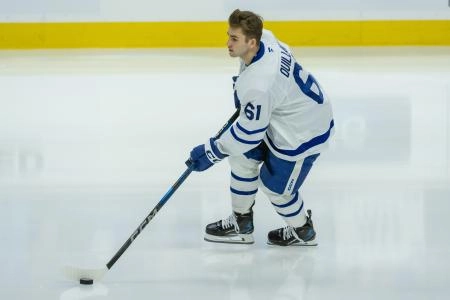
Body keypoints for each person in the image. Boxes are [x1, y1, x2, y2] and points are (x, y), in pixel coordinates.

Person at [188, 9, 334, 246]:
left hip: (303, 131)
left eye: (234, 39)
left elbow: (249, 133)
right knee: (241, 156)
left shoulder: (258, 85)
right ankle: (241, 223)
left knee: (276, 188)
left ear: (251, 41)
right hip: (282, 116)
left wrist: (212, 151)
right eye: (229, 36)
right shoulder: (266, 38)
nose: (228, 43)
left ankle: (303, 231)